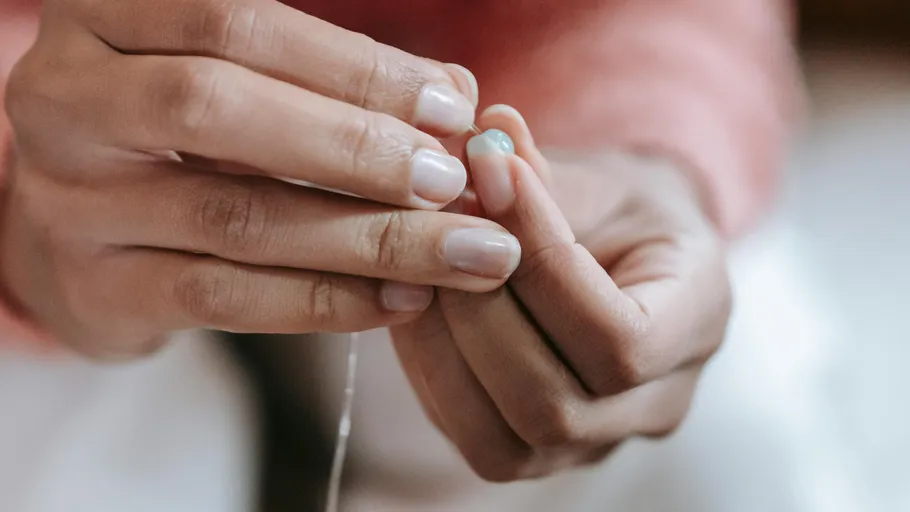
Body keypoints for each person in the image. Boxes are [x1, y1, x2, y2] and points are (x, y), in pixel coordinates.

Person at [0, 0, 800, 510]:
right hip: (70, 160)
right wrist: (23, 191)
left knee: (729, 422)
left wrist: (648, 157)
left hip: (532, 129)